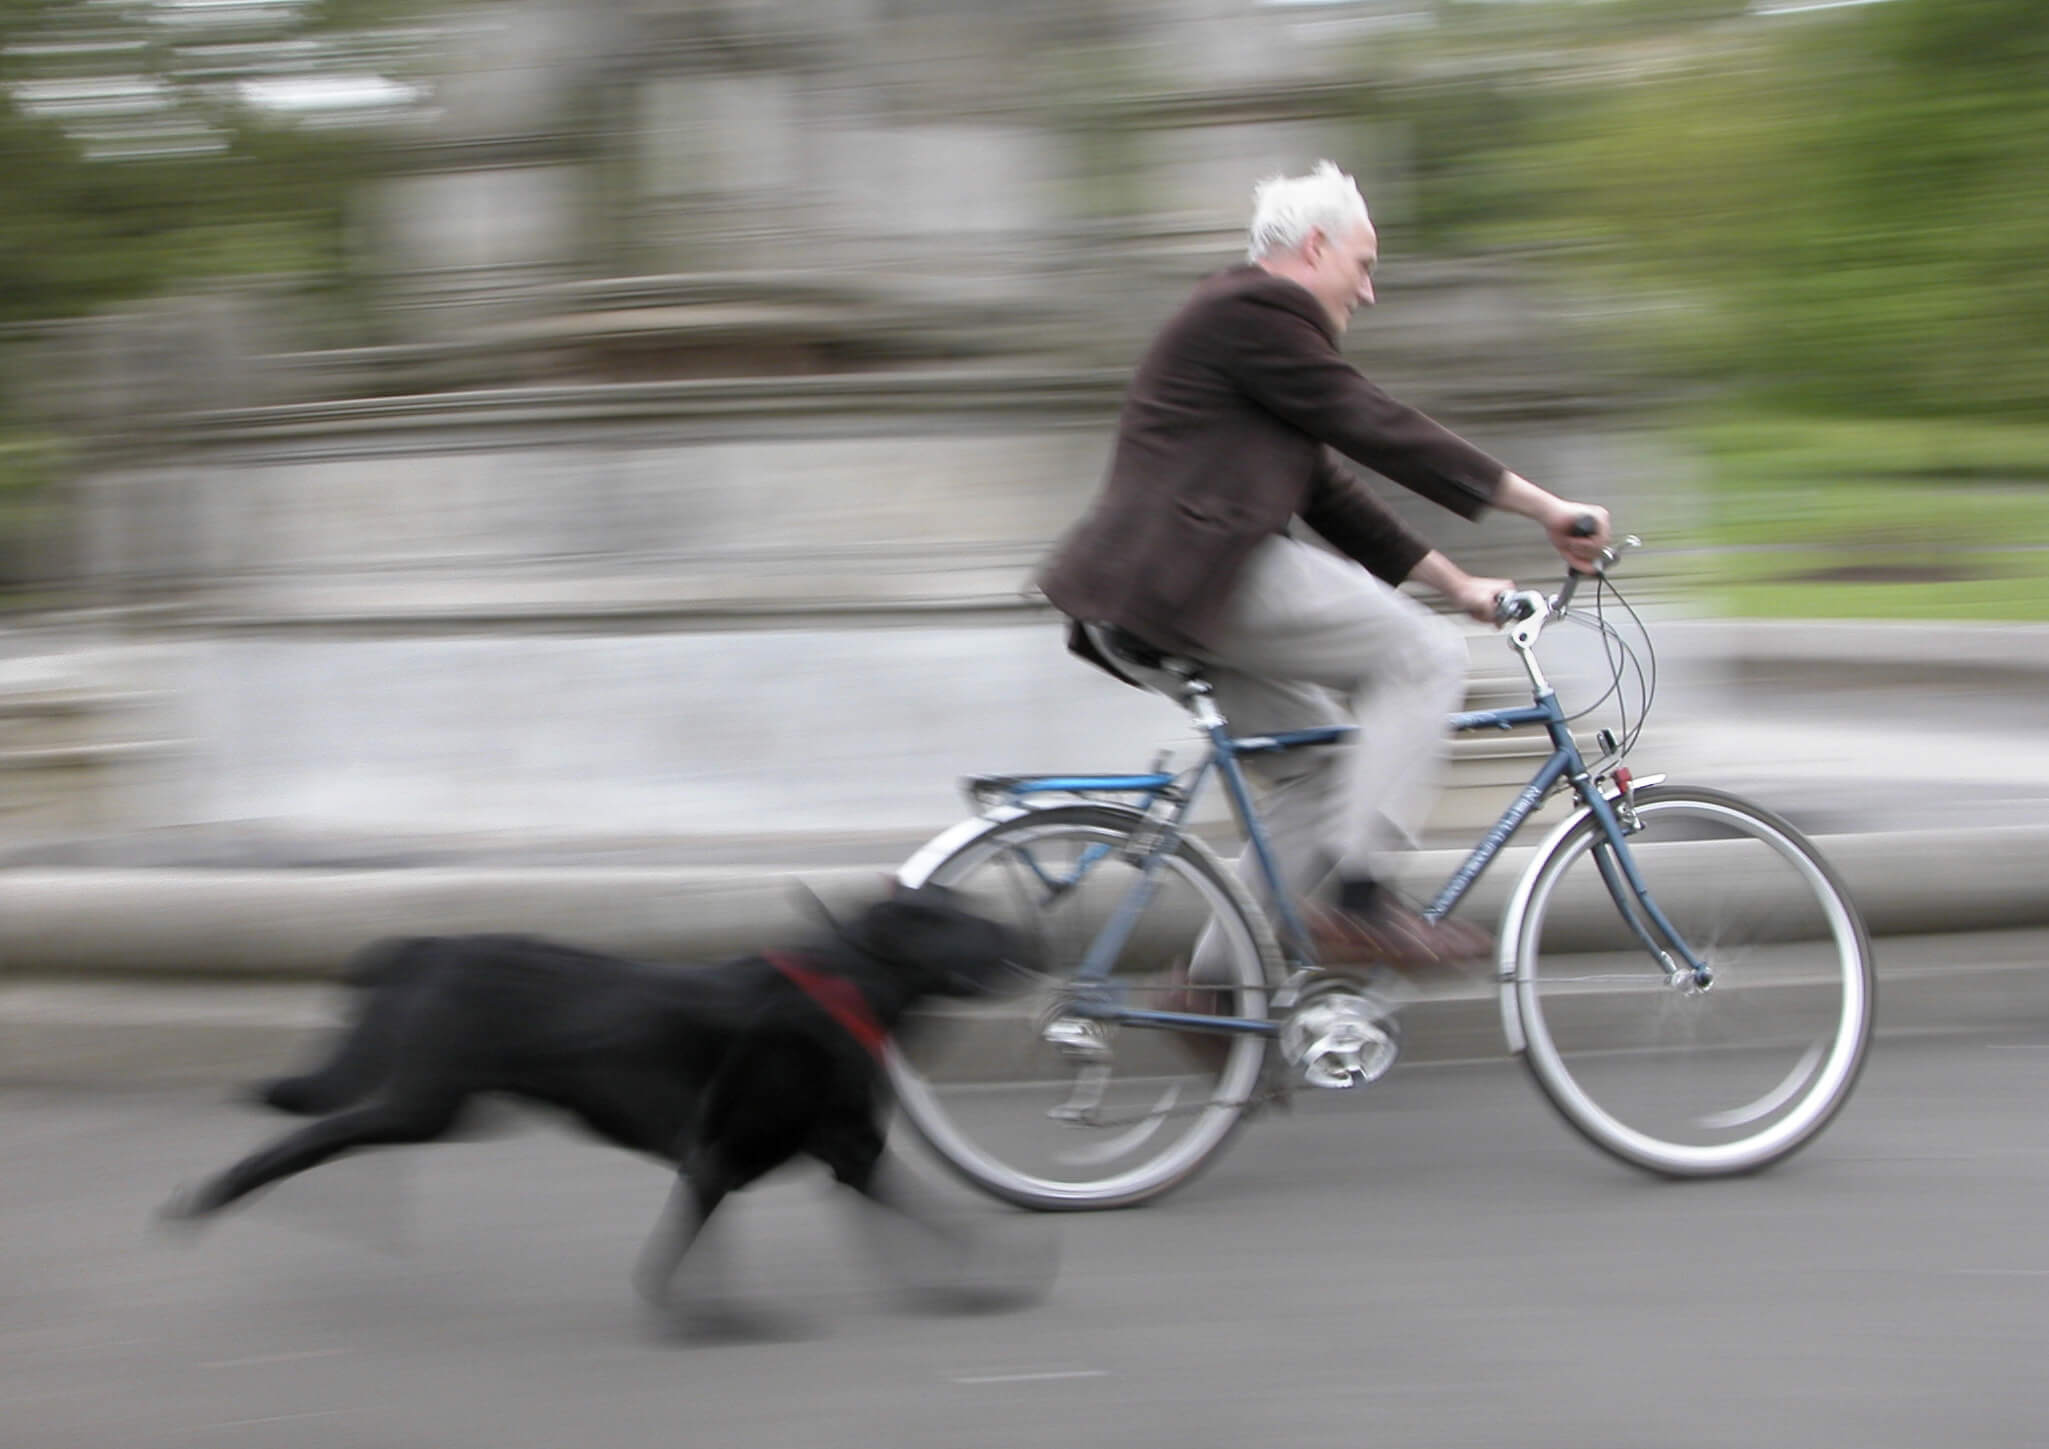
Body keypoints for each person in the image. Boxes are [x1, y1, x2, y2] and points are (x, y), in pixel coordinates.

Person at [1036, 160, 1611, 968]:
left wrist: (1458, 585)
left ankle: (1213, 990)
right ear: (1313, 248)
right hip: (1193, 575)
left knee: (1324, 769)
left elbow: (1332, 494)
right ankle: (1362, 897)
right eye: (1363, 265)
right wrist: (1545, 506)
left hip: (1148, 597)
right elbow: (1375, 423)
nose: (1367, 292)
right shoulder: (1254, 309)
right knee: (1424, 655)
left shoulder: (1244, 336)